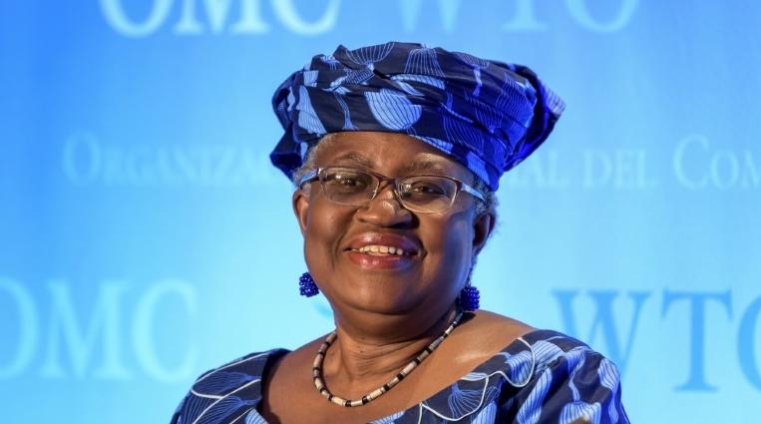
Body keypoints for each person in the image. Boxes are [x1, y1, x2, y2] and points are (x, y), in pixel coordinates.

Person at [170, 42, 630, 424]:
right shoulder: (219, 399)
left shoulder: (545, 381)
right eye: (349, 181)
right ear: (305, 214)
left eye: (427, 188)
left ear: (477, 230)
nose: (384, 211)